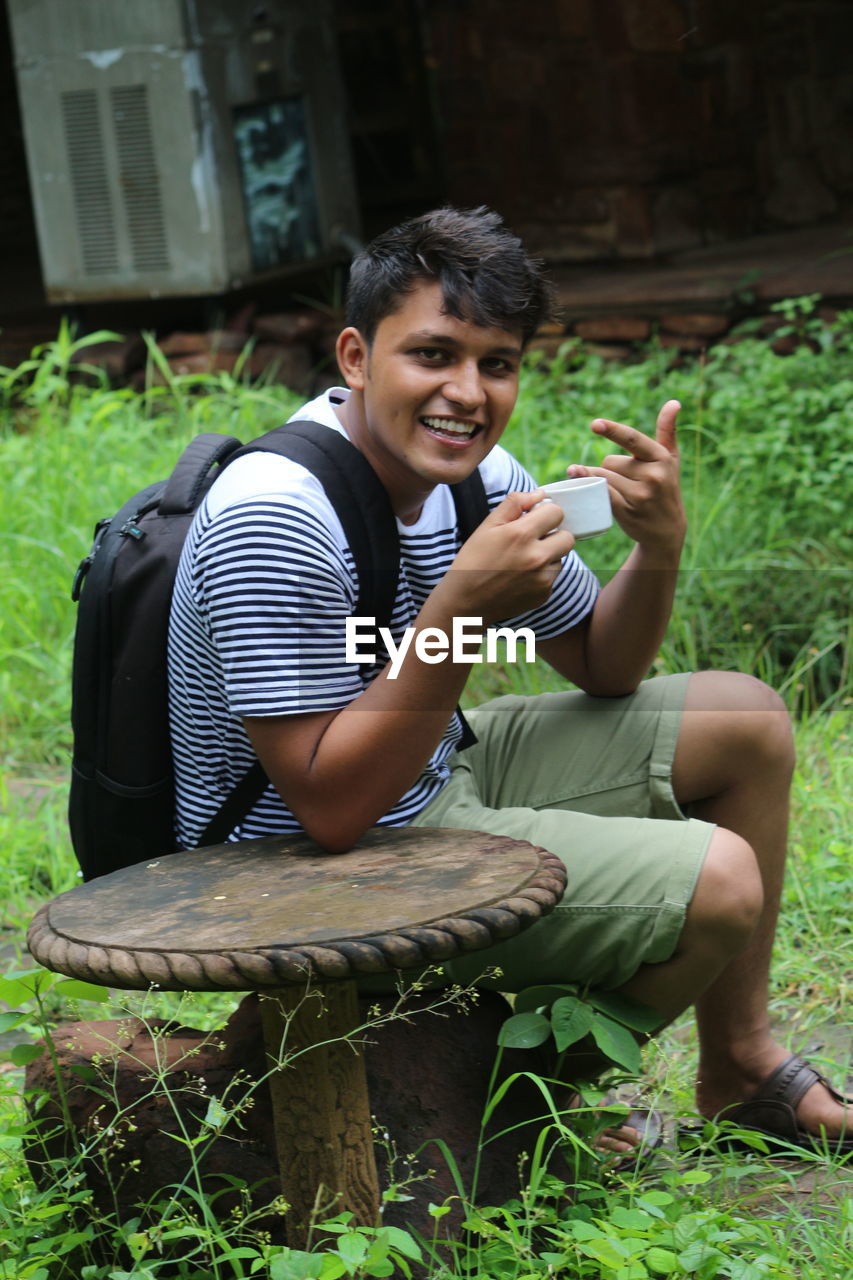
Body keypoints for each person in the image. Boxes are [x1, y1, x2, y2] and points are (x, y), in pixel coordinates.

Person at [168, 206, 850, 1157]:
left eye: (496, 363)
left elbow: (604, 665)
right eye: (433, 355)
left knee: (748, 716)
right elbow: (326, 808)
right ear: (357, 357)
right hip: (295, 868)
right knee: (718, 884)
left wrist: (658, 547)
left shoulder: (474, 478)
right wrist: (459, 613)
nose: (467, 393)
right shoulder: (276, 514)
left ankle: (738, 1068)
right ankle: (503, 1113)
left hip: (424, 776)